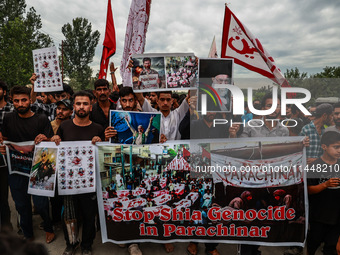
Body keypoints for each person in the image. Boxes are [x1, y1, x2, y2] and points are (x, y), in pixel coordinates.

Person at [0, 86, 55, 243]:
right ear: (12, 101)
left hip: (40, 167)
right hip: (16, 168)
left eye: (24, 100)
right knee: (21, 204)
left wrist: (44, 138)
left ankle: (48, 227)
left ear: (30, 100)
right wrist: (3, 148)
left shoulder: (41, 119)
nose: (20, 104)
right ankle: (27, 233)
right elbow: (5, 139)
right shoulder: (8, 118)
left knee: (41, 203)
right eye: (16, 101)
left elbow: (51, 142)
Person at [52, 91, 104, 255]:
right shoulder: (64, 126)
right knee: (69, 215)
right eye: (79, 103)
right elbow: (56, 149)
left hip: (90, 182)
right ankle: (71, 243)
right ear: (74, 106)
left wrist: (100, 143)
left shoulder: (98, 128)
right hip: (68, 182)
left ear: (91, 106)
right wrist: (54, 140)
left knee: (89, 216)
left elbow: (104, 154)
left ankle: (87, 246)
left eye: (85, 103)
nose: (82, 107)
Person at [307, 131, 340, 255]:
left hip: (336, 216)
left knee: (331, 248)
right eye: (336, 147)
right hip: (318, 215)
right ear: (324, 147)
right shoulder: (315, 166)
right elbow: (309, 190)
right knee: (313, 243)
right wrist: (325, 184)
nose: (339, 150)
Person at [0, 80, 13, 231]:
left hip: (12, 155)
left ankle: (13, 225)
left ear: (4, 91)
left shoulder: (12, 109)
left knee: (14, 193)